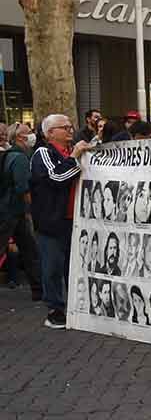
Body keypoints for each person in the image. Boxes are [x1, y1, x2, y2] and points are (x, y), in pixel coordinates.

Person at [31, 114, 91, 328]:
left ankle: (76, 306)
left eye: (70, 126)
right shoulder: (43, 153)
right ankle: (55, 310)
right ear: (49, 133)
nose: (69, 130)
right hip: (52, 222)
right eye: (63, 127)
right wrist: (74, 158)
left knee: (73, 266)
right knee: (53, 267)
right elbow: (57, 178)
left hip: (75, 221)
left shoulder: (72, 151)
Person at [0, 123, 42, 301]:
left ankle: (39, 289)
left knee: (30, 250)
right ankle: (38, 290)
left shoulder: (10, 155)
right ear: (20, 138)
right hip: (13, 211)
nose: (32, 135)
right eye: (28, 132)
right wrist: (31, 210)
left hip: (10, 210)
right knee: (29, 250)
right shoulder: (20, 158)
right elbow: (23, 187)